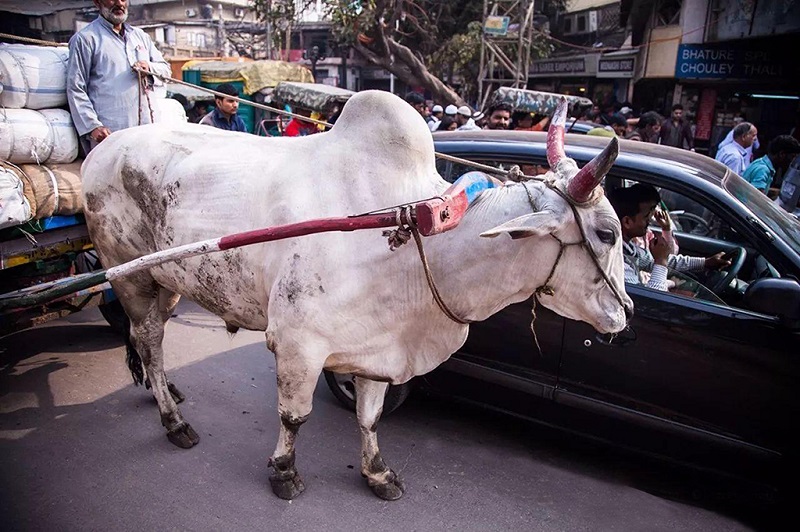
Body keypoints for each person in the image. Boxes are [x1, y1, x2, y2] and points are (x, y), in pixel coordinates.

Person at [66, 0, 171, 154]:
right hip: (111, 135)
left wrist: (149, 67)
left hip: (148, 130)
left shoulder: (140, 36)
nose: (119, 3)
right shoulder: (85, 39)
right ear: (97, 3)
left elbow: (166, 71)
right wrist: (93, 126)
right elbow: (75, 87)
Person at [608, 184, 731, 291]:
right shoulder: (616, 262)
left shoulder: (629, 249)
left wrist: (706, 262)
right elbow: (652, 301)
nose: (650, 221)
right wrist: (661, 261)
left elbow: (660, 260)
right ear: (627, 222)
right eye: (646, 217)